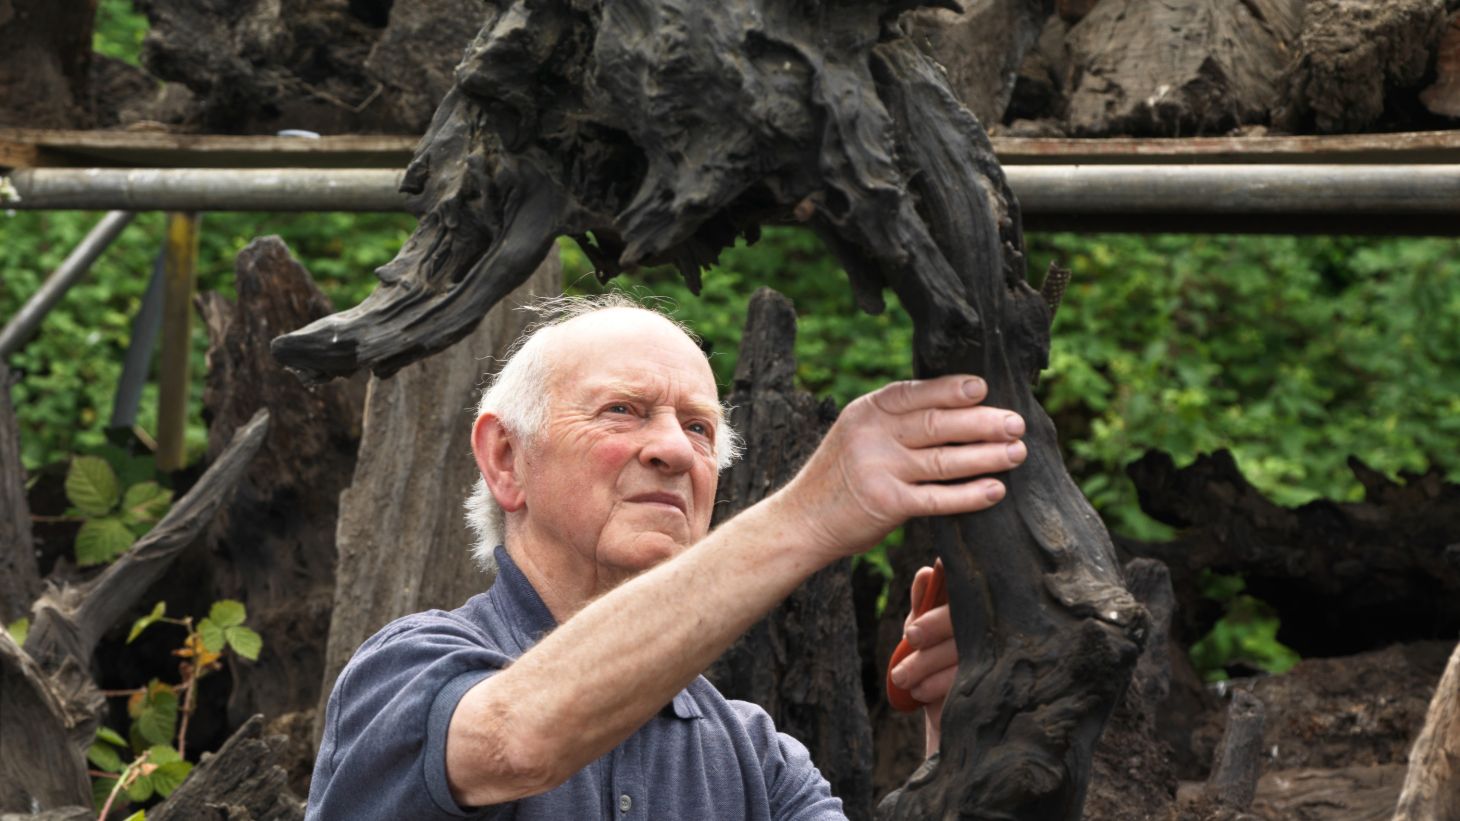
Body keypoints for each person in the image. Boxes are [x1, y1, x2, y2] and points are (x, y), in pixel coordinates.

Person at [306, 295, 1026, 819]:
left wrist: (961, 742)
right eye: (623, 409)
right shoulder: (406, 672)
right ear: (505, 458)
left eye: (699, 426)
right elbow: (512, 741)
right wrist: (813, 513)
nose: (676, 449)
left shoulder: (758, 760)